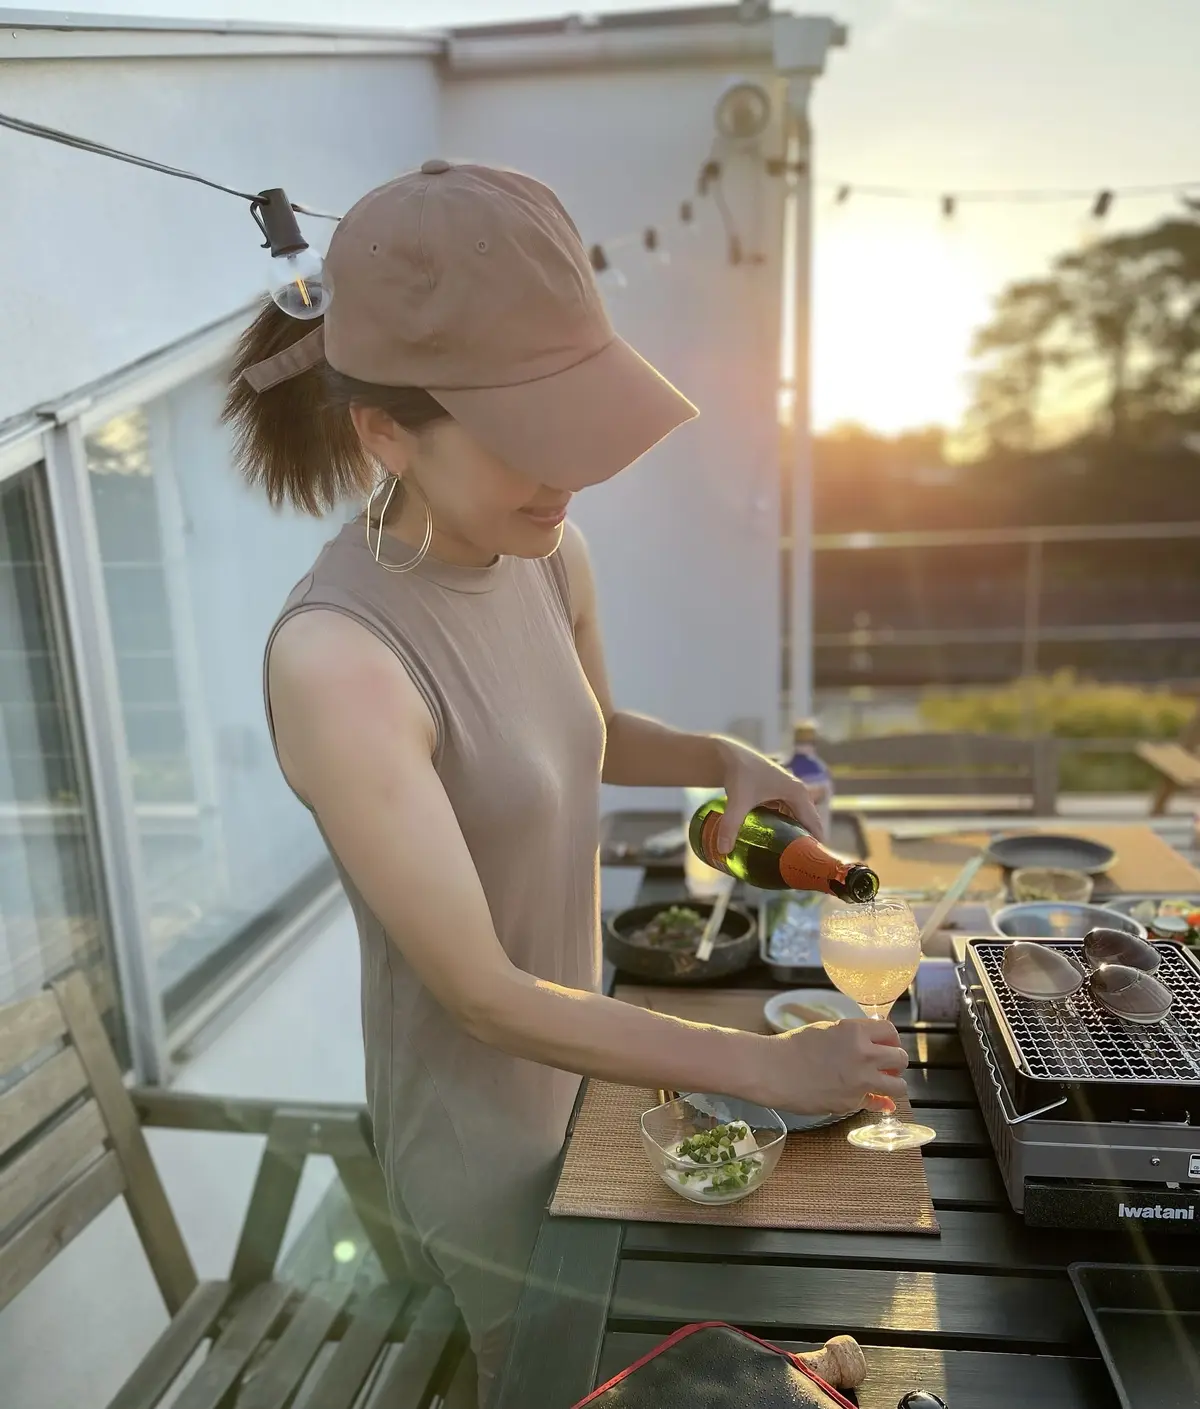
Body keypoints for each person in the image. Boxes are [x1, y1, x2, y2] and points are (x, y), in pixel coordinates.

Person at [223, 160, 908, 1408]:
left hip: (596, 1075)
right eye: (527, 441)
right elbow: (481, 995)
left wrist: (713, 758)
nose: (569, 475)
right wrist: (764, 1068)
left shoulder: (542, 548)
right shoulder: (338, 660)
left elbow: (579, 730)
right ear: (387, 432)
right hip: (487, 1147)